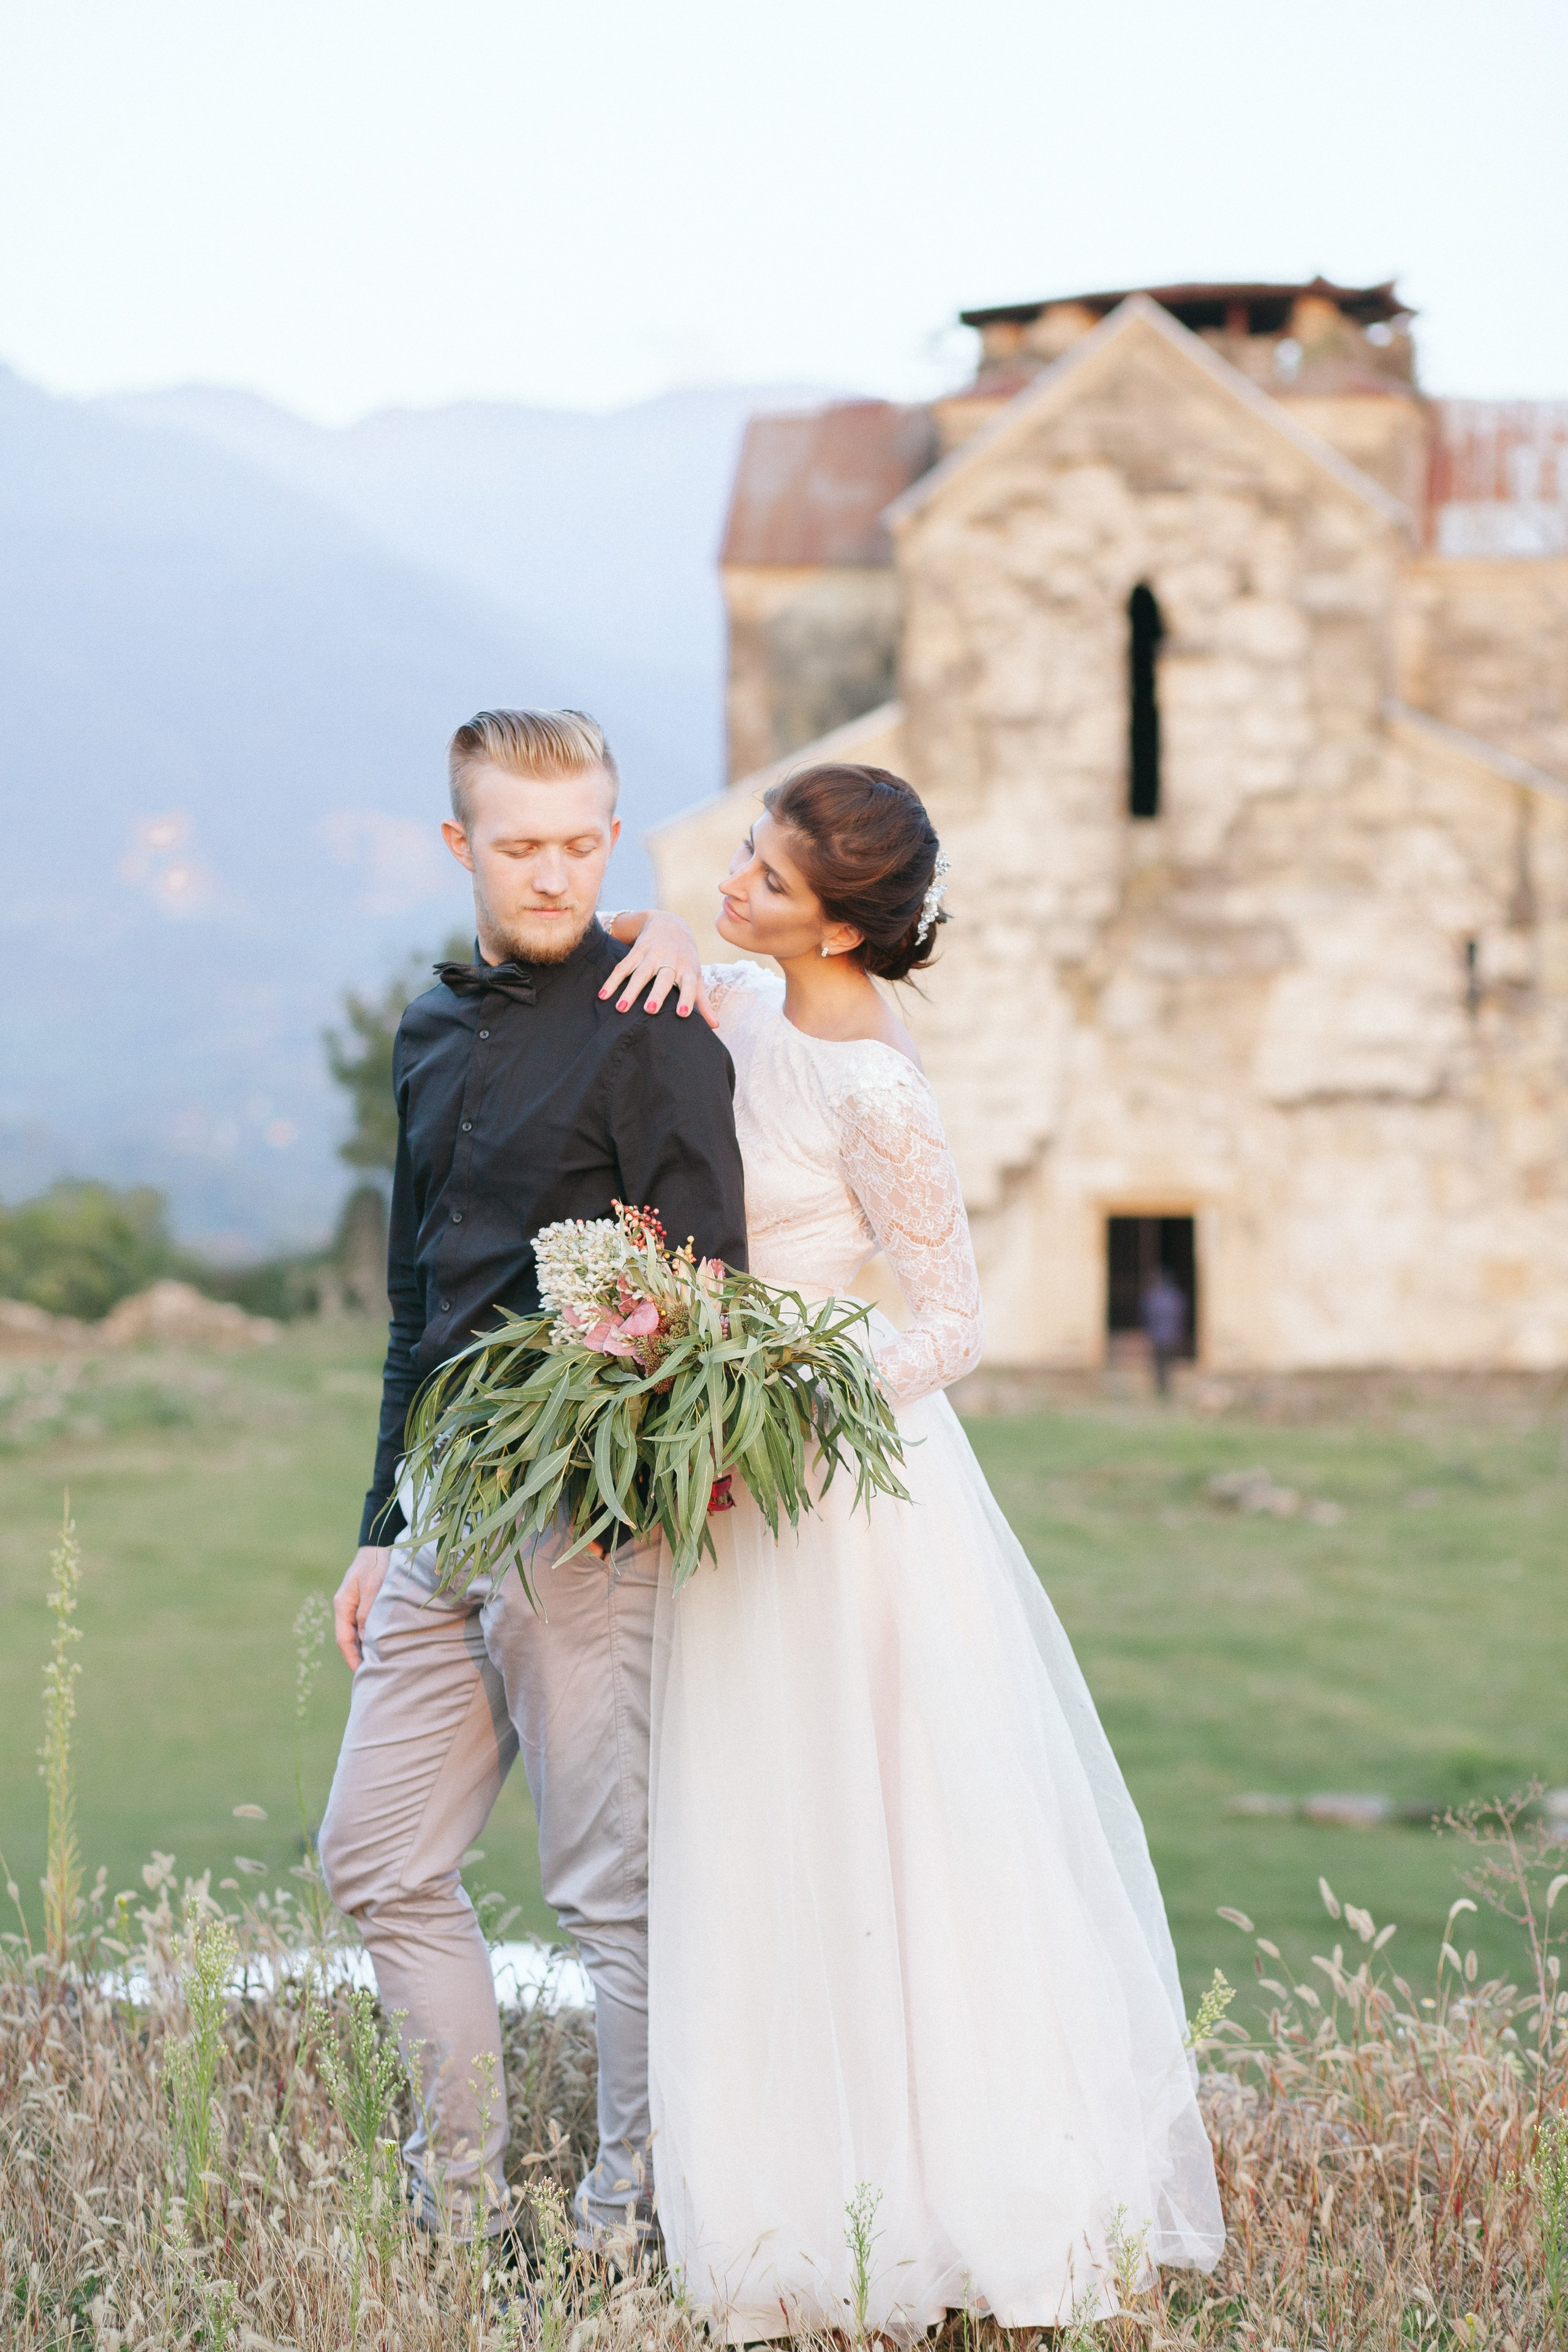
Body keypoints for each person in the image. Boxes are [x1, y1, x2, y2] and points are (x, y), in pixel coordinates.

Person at [600, 764, 1224, 2337]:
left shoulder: (874, 1084)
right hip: (726, 1462)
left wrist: (772, 1394)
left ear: (837, 920)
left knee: (894, 1817)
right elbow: (647, 934)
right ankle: (782, 2201)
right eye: (743, 854)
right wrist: (669, 915)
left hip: (836, 1481)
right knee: (758, 1810)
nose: (735, 878)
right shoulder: (748, 992)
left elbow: (948, 1324)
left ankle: (957, 2189)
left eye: (764, 872)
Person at [317, 709, 747, 2251]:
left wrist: (631, 1477)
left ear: (611, 838)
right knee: (371, 1855)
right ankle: (457, 2206)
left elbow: (714, 1291)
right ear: (460, 845)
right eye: (520, 844)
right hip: (441, 1510)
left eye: (583, 842)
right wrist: (381, 1522)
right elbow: (414, 1295)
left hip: (583, 1511)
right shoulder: (427, 1029)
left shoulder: (654, 1015)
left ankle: (622, 2219)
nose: (555, 871)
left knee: (604, 1892)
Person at [1141, 1264, 1188, 1395]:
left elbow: (1146, 1317)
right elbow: (1182, 1317)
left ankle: (1161, 1389)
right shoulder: (1176, 1298)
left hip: (1157, 1336)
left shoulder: (1152, 1297)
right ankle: (1166, 1389)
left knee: (1159, 1365)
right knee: (1168, 1365)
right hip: (1172, 1336)